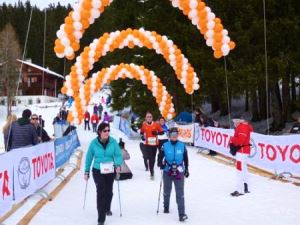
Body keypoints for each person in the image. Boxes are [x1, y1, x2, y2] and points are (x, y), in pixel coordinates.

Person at [84, 123, 123, 225]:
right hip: (98, 171)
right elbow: (89, 158)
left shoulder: (113, 142)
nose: (107, 133)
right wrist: (86, 171)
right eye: (105, 131)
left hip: (110, 170)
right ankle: (101, 218)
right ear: (100, 132)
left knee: (109, 192)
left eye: (108, 130)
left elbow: (118, 155)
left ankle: (107, 208)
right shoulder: (93, 143)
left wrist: (118, 164)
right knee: (101, 191)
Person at [157, 127, 189, 222]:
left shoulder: (182, 145)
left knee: (180, 193)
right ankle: (166, 207)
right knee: (167, 191)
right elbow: (160, 157)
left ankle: (181, 214)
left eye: (176, 135)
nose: (174, 137)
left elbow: (186, 159)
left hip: (179, 171)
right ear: (169, 136)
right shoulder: (165, 145)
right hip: (168, 171)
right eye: (172, 135)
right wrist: (161, 164)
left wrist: (186, 169)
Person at [230, 117, 253, 197]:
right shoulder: (242, 127)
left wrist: (232, 139)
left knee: (239, 170)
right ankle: (245, 186)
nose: (234, 123)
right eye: (233, 121)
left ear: (239, 121)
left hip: (242, 151)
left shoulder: (242, 127)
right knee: (243, 169)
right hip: (242, 151)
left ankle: (240, 189)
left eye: (235, 121)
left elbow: (240, 140)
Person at [140, 112, 164, 179]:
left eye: (150, 116)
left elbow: (162, 132)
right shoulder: (144, 125)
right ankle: (152, 172)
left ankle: (152, 169)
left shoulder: (156, 124)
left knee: (153, 158)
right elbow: (141, 132)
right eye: (148, 117)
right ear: (146, 118)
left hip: (155, 144)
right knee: (150, 158)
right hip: (147, 144)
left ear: (152, 118)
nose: (149, 118)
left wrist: (157, 133)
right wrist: (142, 136)